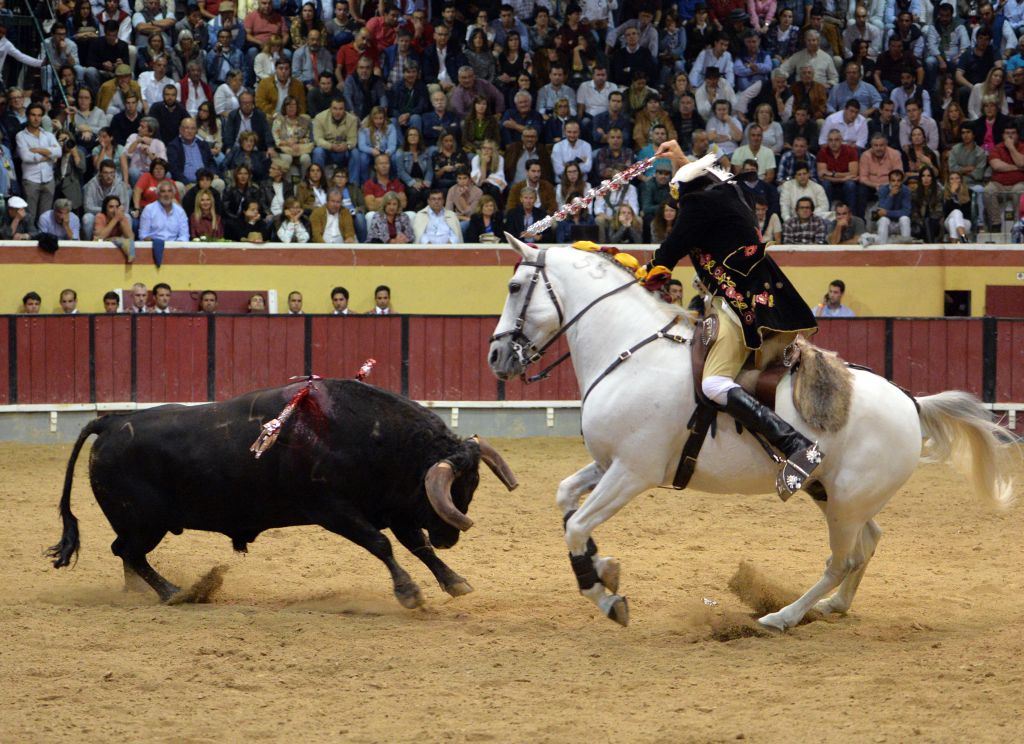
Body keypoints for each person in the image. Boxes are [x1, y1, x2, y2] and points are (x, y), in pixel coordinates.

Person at [647, 140, 821, 498]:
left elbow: (669, 252)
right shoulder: (731, 189)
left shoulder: (695, 206)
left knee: (713, 384)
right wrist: (680, 157)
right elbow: (706, 173)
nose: (676, 204)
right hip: (770, 297)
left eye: (677, 196)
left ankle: (795, 445)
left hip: (739, 306)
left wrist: (641, 273)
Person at [16, 104, 61, 226]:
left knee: (45, 217)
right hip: (31, 180)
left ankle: (44, 241)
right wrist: (48, 154)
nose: (36, 118)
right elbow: (26, 157)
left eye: (39, 115)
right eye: (33, 115)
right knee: (30, 217)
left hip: (48, 179)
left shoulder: (48, 135)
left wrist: (38, 150)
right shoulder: (21, 136)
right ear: (27, 116)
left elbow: (59, 152)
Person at [983, 124, 1024, 231]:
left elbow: (1022, 163)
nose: (1010, 136)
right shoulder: (997, 148)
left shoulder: (1023, 147)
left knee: (1020, 190)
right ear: (1003, 135)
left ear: (1018, 135)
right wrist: (1018, 167)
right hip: (999, 184)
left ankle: (1018, 224)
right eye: (1007, 133)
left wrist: (1011, 148)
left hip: (1019, 183)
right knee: (988, 190)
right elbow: (996, 166)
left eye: (1013, 133)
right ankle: (996, 224)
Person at [875, 169, 912, 242]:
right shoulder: (883, 190)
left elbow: (906, 211)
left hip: (899, 223)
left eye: (898, 181)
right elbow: (882, 211)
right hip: (887, 223)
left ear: (902, 181)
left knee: (905, 219)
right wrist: (891, 195)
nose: (896, 183)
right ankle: (882, 248)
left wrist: (888, 213)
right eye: (893, 180)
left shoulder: (906, 190)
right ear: (889, 181)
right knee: (883, 220)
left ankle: (906, 247)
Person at [943, 172, 974, 243]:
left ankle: (954, 244)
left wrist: (957, 196)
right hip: (948, 221)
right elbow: (946, 212)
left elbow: (966, 212)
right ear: (948, 182)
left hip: (965, 222)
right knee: (955, 213)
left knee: (953, 221)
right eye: (951, 179)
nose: (954, 181)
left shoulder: (968, 192)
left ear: (961, 181)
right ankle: (964, 238)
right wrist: (953, 194)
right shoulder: (944, 193)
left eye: (957, 178)